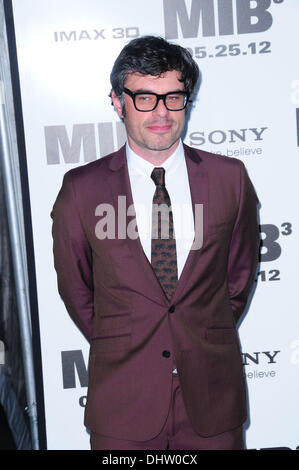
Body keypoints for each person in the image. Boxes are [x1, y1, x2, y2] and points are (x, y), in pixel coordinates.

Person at [51, 36, 260, 450]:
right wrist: (128, 339)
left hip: (213, 399)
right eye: (144, 97)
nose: (161, 112)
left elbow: (238, 279)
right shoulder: (81, 189)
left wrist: (198, 331)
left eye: (173, 97)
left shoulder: (229, 178)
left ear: (188, 100)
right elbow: (77, 290)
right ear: (117, 101)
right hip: (123, 401)